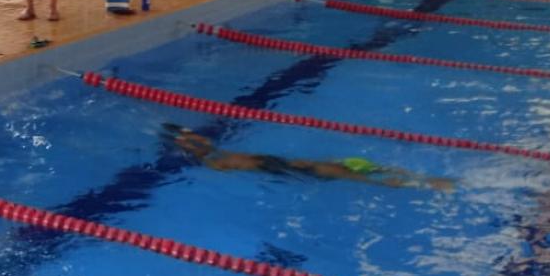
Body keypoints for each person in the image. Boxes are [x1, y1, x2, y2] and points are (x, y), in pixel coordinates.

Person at [162, 124, 454, 192]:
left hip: (293, 165)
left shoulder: (218, 154)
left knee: (362, 169)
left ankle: (426, 181)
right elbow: (255, 169)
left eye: (195, 136)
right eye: (191, 140)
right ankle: (427, 184)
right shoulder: (213, 162)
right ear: (187, 148)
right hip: (289, 171)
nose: (200, 139)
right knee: (357, 176)